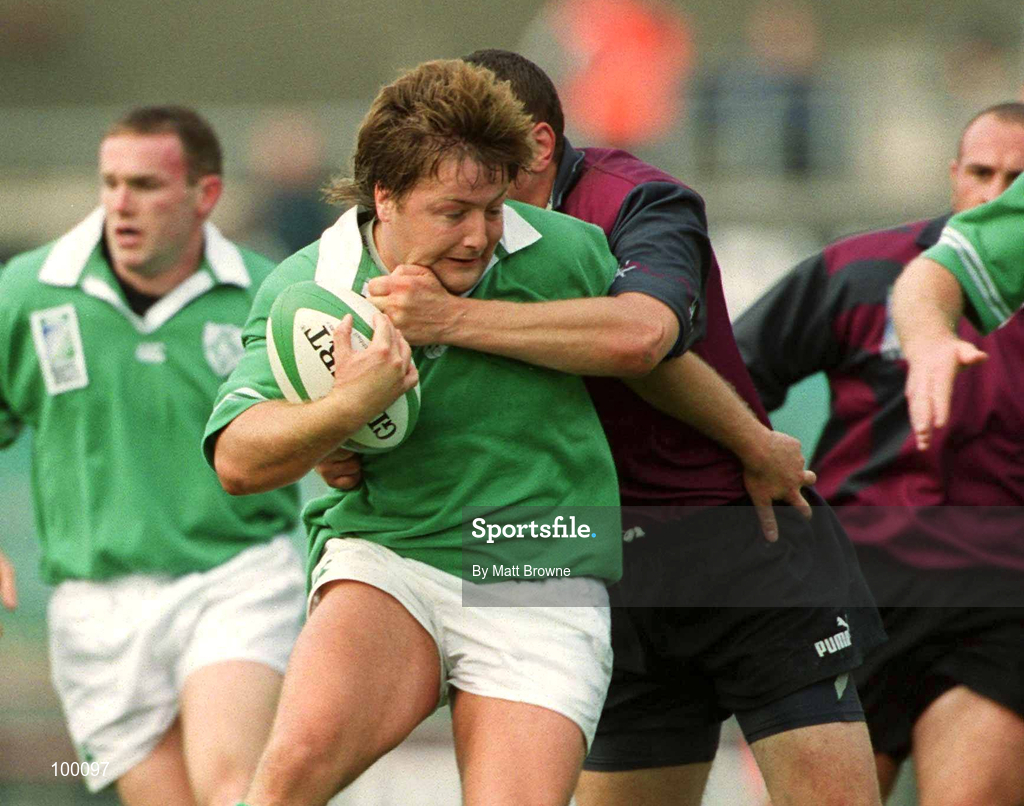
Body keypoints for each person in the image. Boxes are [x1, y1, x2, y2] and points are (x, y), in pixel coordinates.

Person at [352, 49, 885, 806]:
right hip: (583, 563)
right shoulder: (437, 235)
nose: (475, 211)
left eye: (487, 167)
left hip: (734, 541)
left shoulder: (636, 203)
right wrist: (349, 441)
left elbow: (643, 342)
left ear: (537, 144)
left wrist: (752, 444)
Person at [204, 59, 633, 806]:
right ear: (385, 197)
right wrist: (345, 411)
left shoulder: (566, 253)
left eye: (493, 209)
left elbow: (650, 345)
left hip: (537, 566)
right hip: (391, 557)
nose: (478, 236)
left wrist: (755, 443)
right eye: (452, 212)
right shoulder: (311, 289)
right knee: (284, 779)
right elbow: (237, 460)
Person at [0, 107, 306, 806]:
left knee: (231, 786)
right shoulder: (27, 291)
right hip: (94, 606)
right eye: (110, 182)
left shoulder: (272, 295)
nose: (120, 202)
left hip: (236, 578)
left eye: (144, 184)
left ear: (205, 196)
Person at [735, 102, 1024, 806]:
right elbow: (731, 374)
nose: (996, 194)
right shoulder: (863, 269)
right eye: (982, 172)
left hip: (998, 599)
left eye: (1018, 180)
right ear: (953, 174)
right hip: (851, 587)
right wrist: (756, 466)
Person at [893, 171, 1024, 448]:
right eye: (981, 173)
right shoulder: (859, 264)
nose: (994, 194)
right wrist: (930, 341)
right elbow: (935, 274)